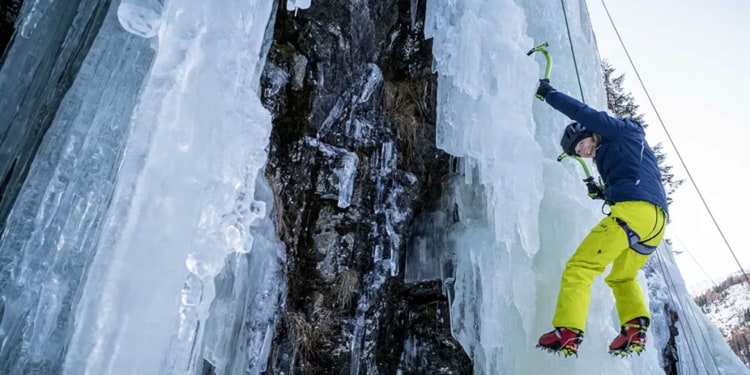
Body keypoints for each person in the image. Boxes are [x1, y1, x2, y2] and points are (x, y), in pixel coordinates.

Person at [534, 78, 669, 357]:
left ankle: (568, 330)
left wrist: (549, 94)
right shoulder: (620, 151)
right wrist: (603, 192)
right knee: (622, 277)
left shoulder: (619, 132)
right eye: (576, 152)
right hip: (654, 224)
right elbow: (631, 178)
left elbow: (582, 111)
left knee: (579, 267)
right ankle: (634, 328)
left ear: (589, 132)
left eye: (579, 144)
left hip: (634, 213)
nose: (581, 152)